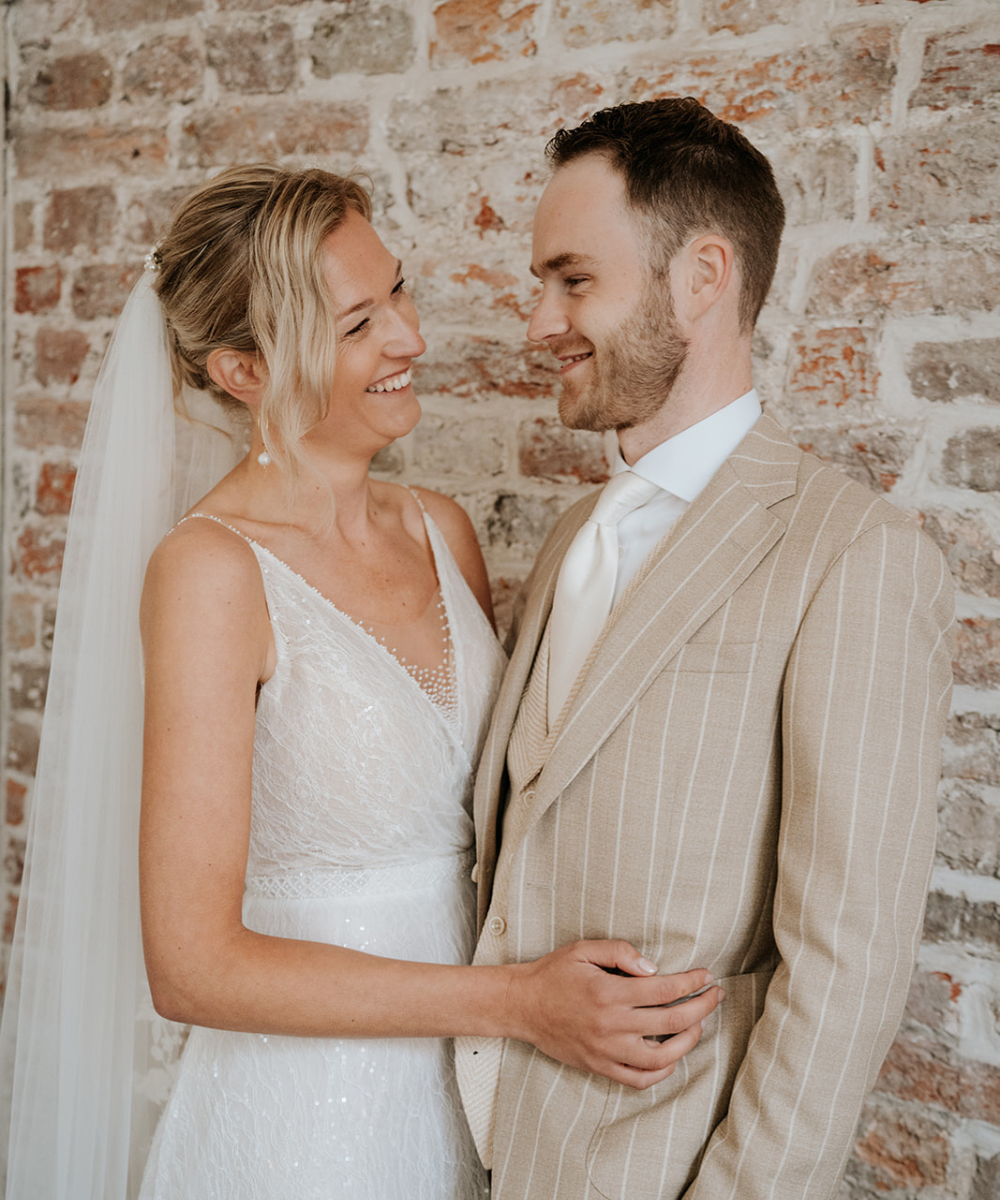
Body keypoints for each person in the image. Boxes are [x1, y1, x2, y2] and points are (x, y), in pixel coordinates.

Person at [0, 164, 724, 1200]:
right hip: (299, 1134)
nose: (409, 338)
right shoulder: (210, 573)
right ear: (242, 370)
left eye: (398, 291)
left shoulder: (442, 531)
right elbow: (193, 967)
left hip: (477, 1108)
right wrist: (516, 1002)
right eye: (354, 324)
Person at [455, 98, 956, 1198]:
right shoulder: (575, 537)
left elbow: (846, 965)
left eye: (572, 280)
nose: (538, 323)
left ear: (701, 277)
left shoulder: (854, 557)